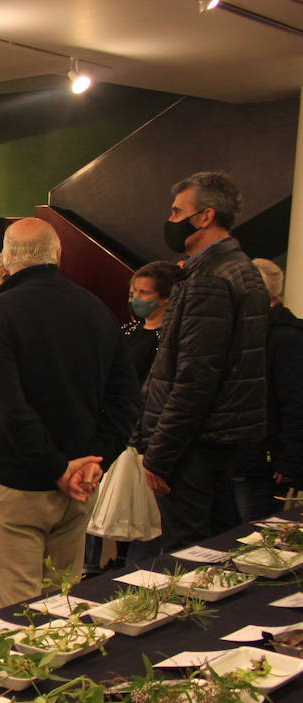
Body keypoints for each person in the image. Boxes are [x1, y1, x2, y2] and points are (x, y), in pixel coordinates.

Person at [0, 218, 141, 610]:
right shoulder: (95, 309)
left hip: (15, 489)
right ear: (58, 255)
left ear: (5, 260)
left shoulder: (1, 313)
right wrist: (94, 461)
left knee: (10, 621)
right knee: (60, 608)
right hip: (77, 488)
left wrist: (55, 468)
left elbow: (8, 407)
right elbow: (126, 400)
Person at [139, 171, 270, 551]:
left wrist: (160, 453)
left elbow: (196, 376)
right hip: (221, 438)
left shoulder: (210, 277)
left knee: (190, 555)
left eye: (178, 211)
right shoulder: (241, 269)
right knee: (218, 544)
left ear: (206, 216)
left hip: (195, 444)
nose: (171, 219)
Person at [85, 260, 177, 574]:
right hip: (119, 427)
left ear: (164, 298)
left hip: (147, 432)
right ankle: (107, 564)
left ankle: (138, 571)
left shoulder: (169, 339)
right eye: (133, 291)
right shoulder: (128, 330)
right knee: (114, 511)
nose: (135, 298)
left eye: (144, 292)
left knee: (143, 517)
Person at [235, 259, 303, 520]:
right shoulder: (249, 331)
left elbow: (294, 401)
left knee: (251, 534)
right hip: (241, 455)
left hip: (264, 461)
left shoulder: (286, 337)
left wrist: (288, 460)